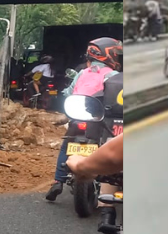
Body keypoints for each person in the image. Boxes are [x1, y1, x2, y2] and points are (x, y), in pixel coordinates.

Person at [47, 38, 122, 202]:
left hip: (77, 116)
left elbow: (68, 92)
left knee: (66, 145)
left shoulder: (81, 73)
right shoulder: (113, 76)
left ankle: (57, 182)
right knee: (107, 144)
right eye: (116, 54)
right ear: (108, 55)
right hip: (100, 120)